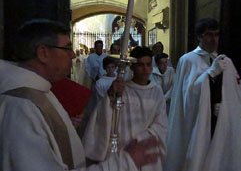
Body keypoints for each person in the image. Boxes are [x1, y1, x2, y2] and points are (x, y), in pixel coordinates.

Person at [0, 19, 163, 171]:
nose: (72, 55)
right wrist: (126, 161)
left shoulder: (39, 91)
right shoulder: (20, 106)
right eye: (67, 48)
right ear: (43, 53)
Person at [164, 18, 241, 171]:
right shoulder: (188, 60)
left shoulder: (226, 61)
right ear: (199, 36)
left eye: (216, 34)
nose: (214, 39)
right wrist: (210, 74)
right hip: (199, 122)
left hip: (221, 122)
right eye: (209, 34)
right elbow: (187, 97)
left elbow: (236, 95)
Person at [83, 46, 168, 171]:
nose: (145, 69)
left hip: (145, 147)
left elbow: (161, 123)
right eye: (140, 65)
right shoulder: (122, 89)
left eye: (148, 65)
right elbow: (105, 116)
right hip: (123, 148)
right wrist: (111, 95)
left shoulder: (156, 91)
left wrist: (140, 140)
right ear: (132, 66)